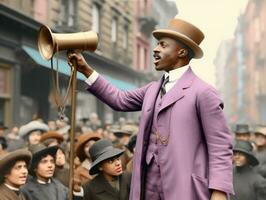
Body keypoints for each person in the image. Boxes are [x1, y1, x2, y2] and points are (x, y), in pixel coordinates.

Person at [68, 17, 233, 200]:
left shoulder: (203, 92)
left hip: (185, 189)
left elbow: (220, 146)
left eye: (163, 45)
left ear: (182, 52)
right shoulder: (152, 89)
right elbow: (119, 99)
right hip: (147, 187)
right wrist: (85, 69)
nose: (155, 49)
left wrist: (219, 191)